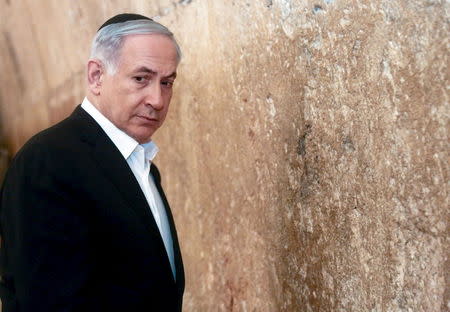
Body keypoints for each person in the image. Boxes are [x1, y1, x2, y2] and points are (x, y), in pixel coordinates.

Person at [0, 13, 184, 311]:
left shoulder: (144, 166)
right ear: (96, 76)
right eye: (141, 78)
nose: (158, 100)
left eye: (167, 82)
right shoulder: (47, 161)